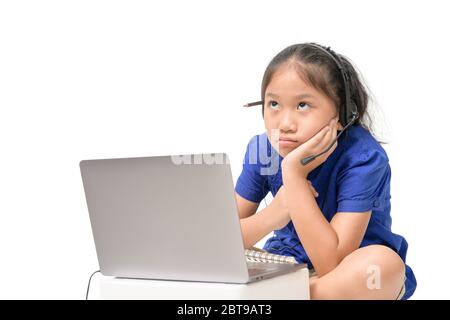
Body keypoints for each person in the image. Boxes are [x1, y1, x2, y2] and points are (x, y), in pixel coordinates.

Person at [235, 42, 416, 299]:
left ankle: (286, 294)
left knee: (383, 266)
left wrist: (294, 176)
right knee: (207, 250)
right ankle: (284, 291)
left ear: (342, 113)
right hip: (286, 264)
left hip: (343, 272)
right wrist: (272, 216)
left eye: (302, 106)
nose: (285, 124)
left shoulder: (363, 157)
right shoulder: (263, 149)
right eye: (274, 104)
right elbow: (222, 239)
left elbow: (330, 263)